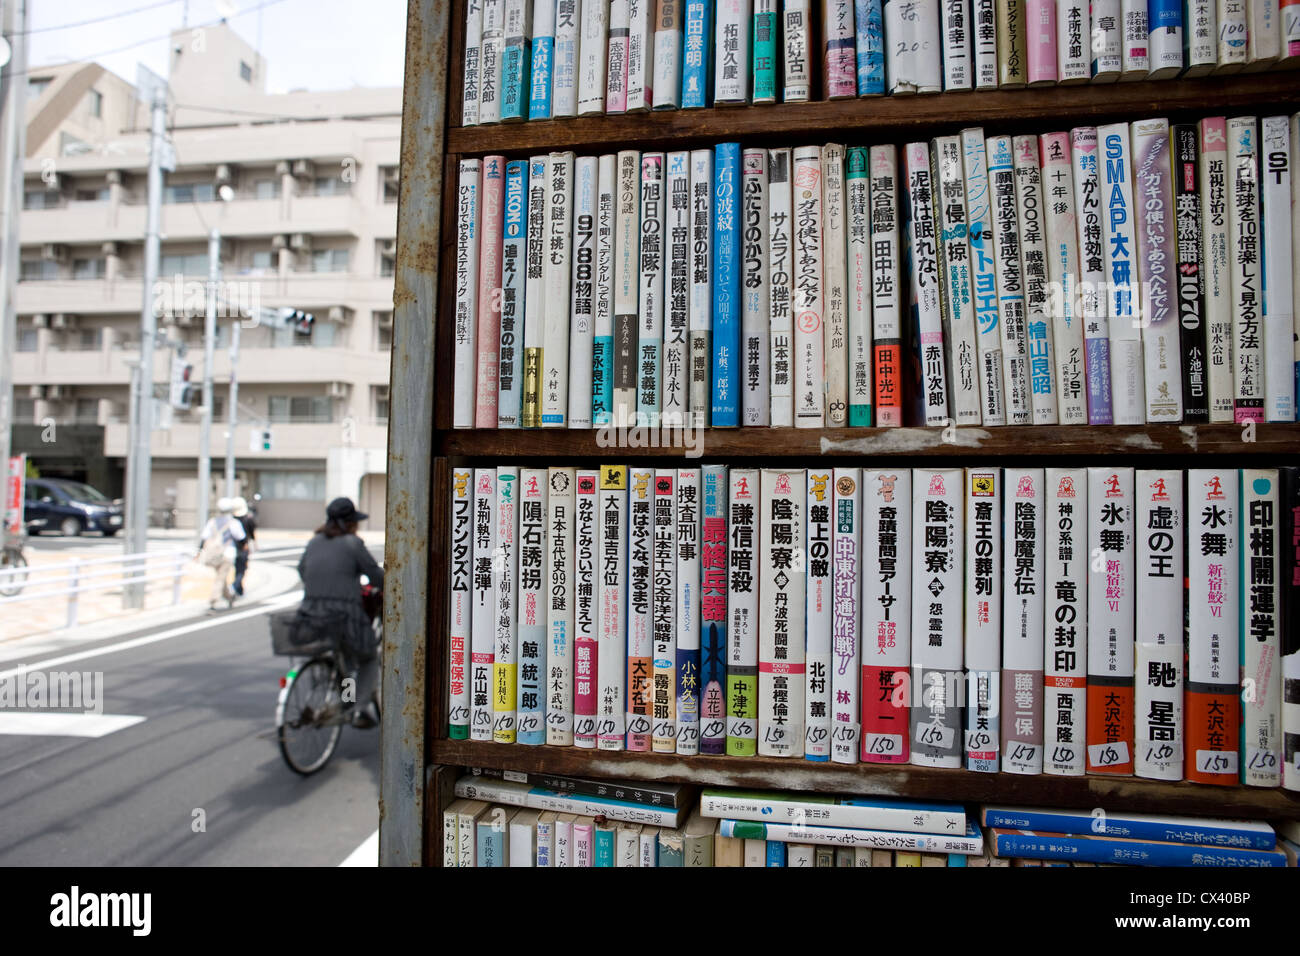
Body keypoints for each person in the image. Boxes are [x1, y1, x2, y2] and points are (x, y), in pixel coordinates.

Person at [296, 497, 384, 728]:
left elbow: (302, 570)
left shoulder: (315, 541)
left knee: (346, 660)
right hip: (344, 616)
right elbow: (375, 575)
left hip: (310, 615)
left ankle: (347, 699)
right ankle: (358, 708)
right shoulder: (352, 544)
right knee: (367, 659)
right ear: (350, 523)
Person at [198, 497, 245, 612]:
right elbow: (241, 538)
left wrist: (199, 551)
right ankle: (214, 601)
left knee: (221, 576)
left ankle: (229, 597)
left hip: (214, 554)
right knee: (221, 577)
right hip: (228, 553)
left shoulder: (212, 521)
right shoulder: (233, 523)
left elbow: (204, 538)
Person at [231, 496, 256, 597]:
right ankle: (234, 587)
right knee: (241, 570)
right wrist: (252, 544)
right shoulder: (248, 520)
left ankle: (240, 590)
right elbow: (250, 535)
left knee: (237, 569)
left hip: (231, 548)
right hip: (243, 548)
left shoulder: (231, 520)